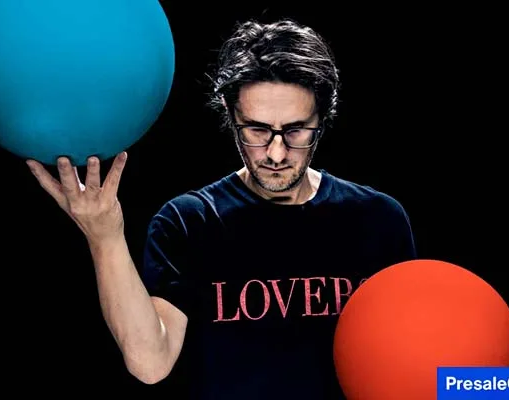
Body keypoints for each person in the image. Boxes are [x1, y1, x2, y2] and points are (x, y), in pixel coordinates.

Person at [27, 19, 417, 400]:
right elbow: (150, 362)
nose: (276, 153)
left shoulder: (378, 219)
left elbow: (412, 355)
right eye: (257, 130)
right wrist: (104, 236)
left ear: (322, 121)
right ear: (232, 117)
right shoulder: (188, 222)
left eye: (295, 131)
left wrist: (455, 384)